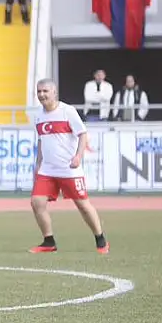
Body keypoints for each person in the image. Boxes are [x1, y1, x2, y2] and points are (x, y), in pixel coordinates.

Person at [29, 78, 108, 255]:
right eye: (39, 91)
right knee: (36, 202)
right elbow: (42, 141)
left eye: (45, 91)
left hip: (68, 169)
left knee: (82, 205)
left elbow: (82, 134)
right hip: (47, 169)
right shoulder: (38, 115)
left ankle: (100, 238)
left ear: (54, 93)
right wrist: (38, 164)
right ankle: (49, 241)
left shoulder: (67, 111)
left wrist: (78, 156)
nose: (42, 94)